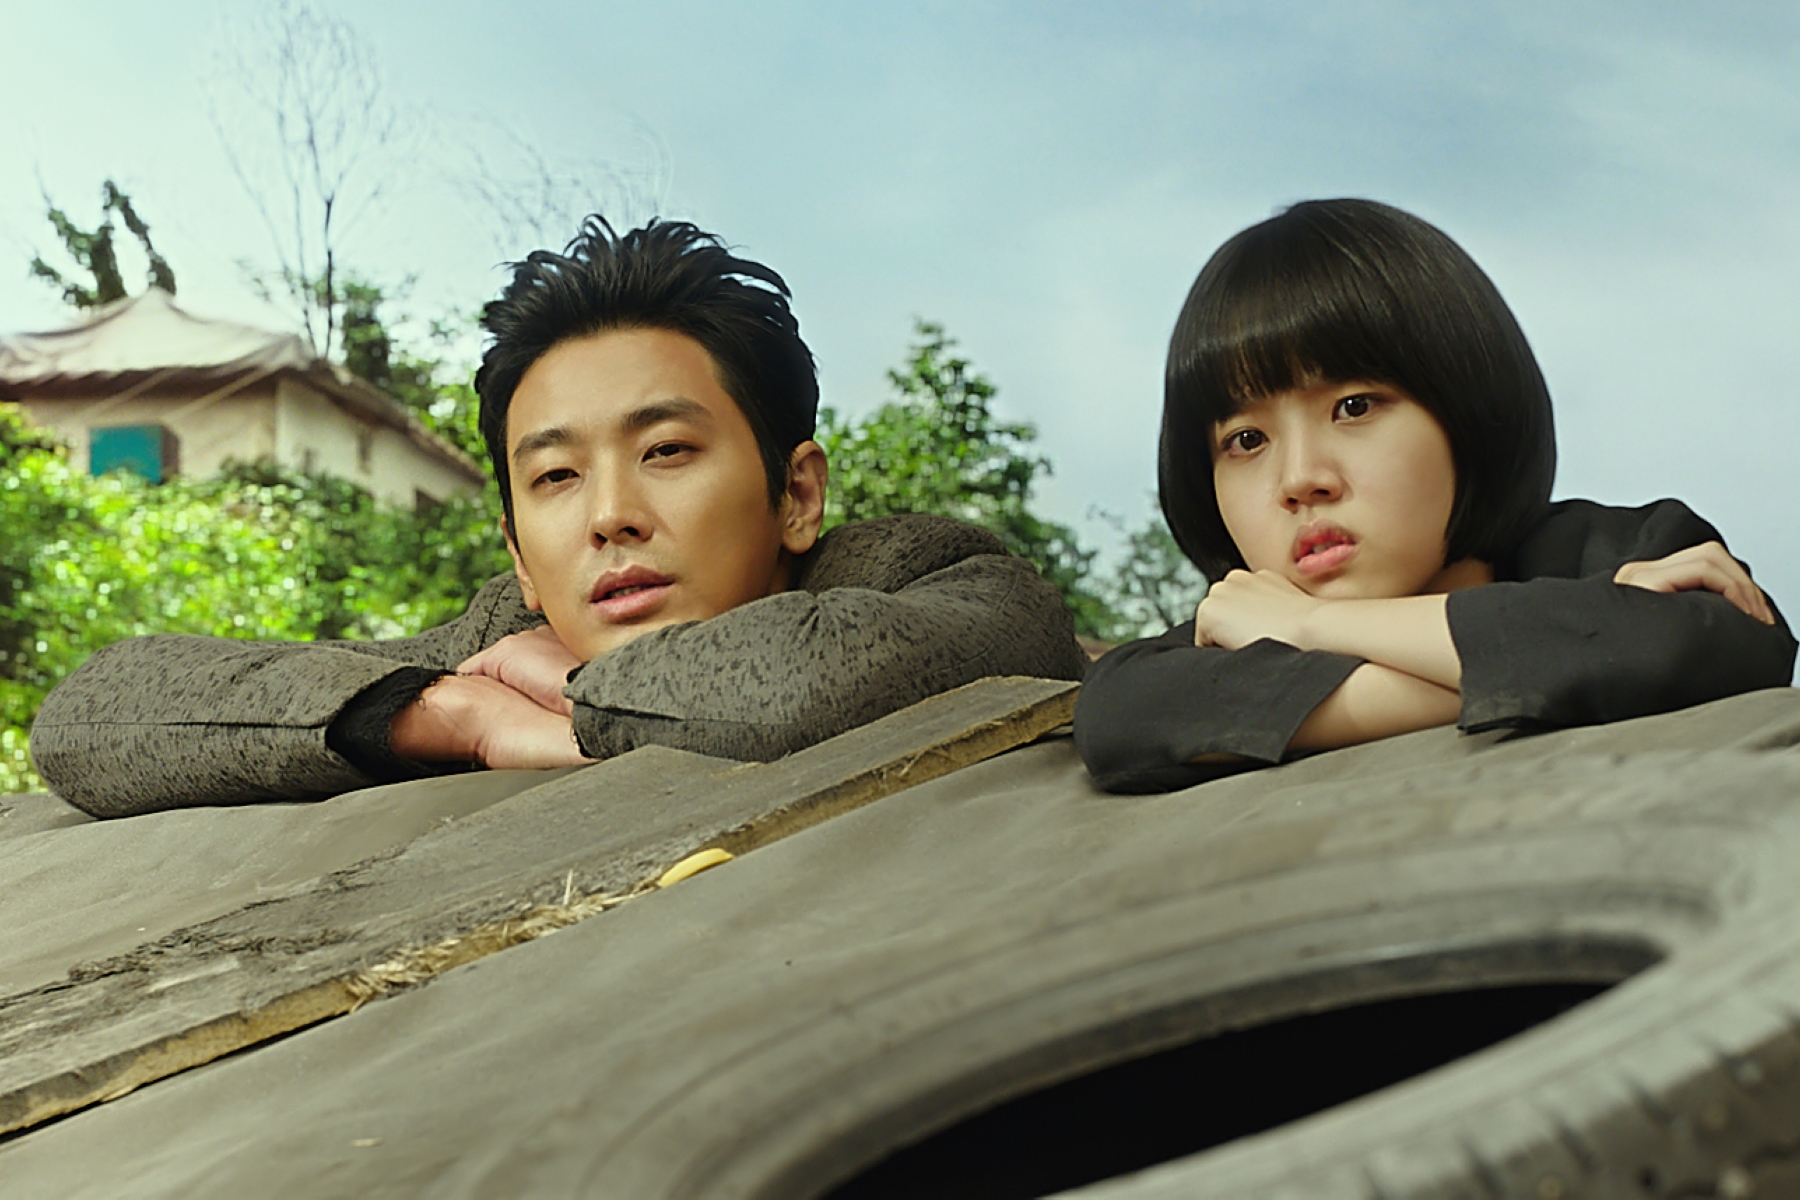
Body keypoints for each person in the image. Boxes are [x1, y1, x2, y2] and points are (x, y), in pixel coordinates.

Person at [33, 218, 1087, 817]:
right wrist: (459, 717)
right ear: (520, 559)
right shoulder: (500, 647)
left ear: (797, 493)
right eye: (555, 477)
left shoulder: (917, 569)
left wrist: (578, 703)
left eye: (666, 451)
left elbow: (813, 678)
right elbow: (95, 715)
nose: (611, 517)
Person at [1074, 198, 1796, 794]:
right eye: (1245, 440)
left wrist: (1313, 627)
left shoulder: (1613, 548)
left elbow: (1722, 639)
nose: (1300, 480)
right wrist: (1571, 657)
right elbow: (1124, 715)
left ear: (1465, 408)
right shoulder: (1218, 636)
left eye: (1353, 407)